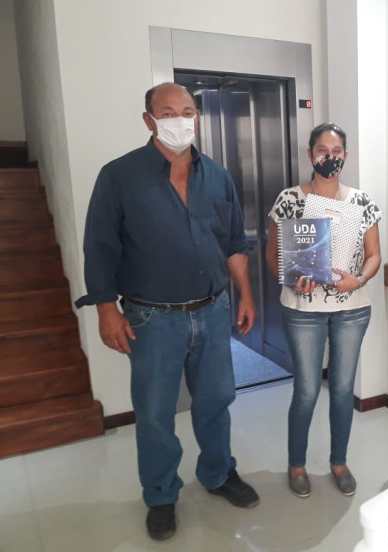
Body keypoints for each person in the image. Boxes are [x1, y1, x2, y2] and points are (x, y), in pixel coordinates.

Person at [75, 83, 259, 541]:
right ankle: (160, 495)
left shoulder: (217, 176)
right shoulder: (119, 176)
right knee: (156, 413)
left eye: (188, 111)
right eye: (168, 112)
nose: (180, 120)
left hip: (212, 310)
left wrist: (246, 295)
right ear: (149, 120)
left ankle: (218, 473)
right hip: (152, 318)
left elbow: (234, 243)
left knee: (216, 401)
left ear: (197, 116)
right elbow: (100, 247)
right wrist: (106, 310)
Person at [266, 122, 382, 499]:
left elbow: (375, 255)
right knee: (306, 390)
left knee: (343, 389)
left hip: (352, 310)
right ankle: (297, 464)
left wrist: (358, 280)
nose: (329, 157)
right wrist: (290, 278)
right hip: (302, 309)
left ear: (345, 155)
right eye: (322, 150)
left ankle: (339, 462)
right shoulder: (290, 199)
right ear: (310, 154)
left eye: (336, 151)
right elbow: (273, 255)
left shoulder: (361, 201)